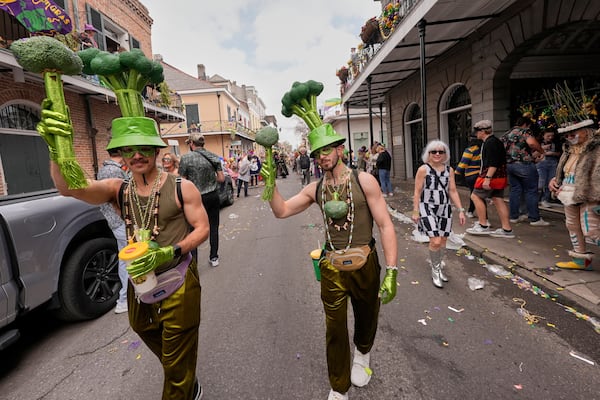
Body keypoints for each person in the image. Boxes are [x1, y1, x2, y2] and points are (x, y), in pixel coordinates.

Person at [41, 112, 209, 400]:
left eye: (144, 148)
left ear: (157, 150)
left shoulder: (182, 187)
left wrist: (171, 251)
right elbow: (68, 188)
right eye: (128, 149)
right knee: (143, 327)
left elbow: (202, 228)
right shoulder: (117, 190)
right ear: (121, 154)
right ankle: (182, 373)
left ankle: (182, 384)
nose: (137, 155)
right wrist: (56, 147)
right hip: (139, 279)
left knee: (177, 352)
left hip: (178, 277)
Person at [260, 124, 398, 400]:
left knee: (366, 316)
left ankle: (363, 352)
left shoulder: (364, 181)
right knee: (334, 329)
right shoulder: (316, 188)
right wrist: (270, 184)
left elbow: (385, 225)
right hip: (332, 266)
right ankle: (338, 387)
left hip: (365, 262)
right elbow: (282, 211)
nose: (322, 157)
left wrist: (392, 270)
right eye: (316, 154)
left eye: (326, 151)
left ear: (339, 150)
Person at [547, 84, 600, 270]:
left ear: (586, 130)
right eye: (567, 134)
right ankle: (580, 261)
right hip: (568, 192)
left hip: (590, 193)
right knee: (572, 225)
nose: (570, 137)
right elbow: (563, 170)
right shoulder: (568, 150)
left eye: (574, 133)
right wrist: (554, 181)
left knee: (592, 230)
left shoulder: (597, 148)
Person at [412, 140, 466, 288]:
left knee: (442, 241)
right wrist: (416, 210)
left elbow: (452, 191)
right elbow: (417, 191)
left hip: (444, 208)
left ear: (445, 154)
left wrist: (461, 210)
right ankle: (435, 271)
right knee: (435, 240)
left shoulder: (449, 170)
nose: (437, 154)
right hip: (427, 207)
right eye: (433, 151)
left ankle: (438, 267)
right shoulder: (423, 169)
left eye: (440, 152)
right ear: (428, 154)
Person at [179, 133, 225, 268]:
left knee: (193, 230)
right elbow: (221, 179)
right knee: (213, 227)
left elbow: (182, 180)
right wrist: (209, 180)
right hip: (212, 196)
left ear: (192, 144)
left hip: (194, 199)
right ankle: (214, 257)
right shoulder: (213, 157)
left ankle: (194, 263)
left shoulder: (186, 158)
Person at [466, 120, 514, 238]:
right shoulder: (495, 141)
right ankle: (506, 229)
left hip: (491, 175)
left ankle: (483, 225)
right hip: (500, 175)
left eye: (477, 132)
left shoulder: (490, 143)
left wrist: (487, 178)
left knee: (475, 196)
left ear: (483, 131)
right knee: (498, 199)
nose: (476, 134)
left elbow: (493, 162)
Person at [97, 148, 129, 314]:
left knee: (125, 259)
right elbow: (121, 199)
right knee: (129, 259)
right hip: (122, 222)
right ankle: (125, 299)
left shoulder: (104, 170)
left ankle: (126, 299)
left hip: (116, 222)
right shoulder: (114, 172)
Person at [502, 114, 549, 226]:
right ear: (526, 124)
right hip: (524, 164)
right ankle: (534, 218)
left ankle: (514, 216)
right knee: (531, 190)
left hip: (510, 165)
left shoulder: (507, 134)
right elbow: (532, 143)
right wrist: (542, 151)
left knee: (515, 190)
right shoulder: (524, 131)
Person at [455, 135, 486, 220]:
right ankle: (471, 211)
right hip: (481, 175)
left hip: (471, 175)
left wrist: (457, 172)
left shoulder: (470, 150)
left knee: (474, 194)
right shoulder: (482, 149)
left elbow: (464, 162)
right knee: (477, 194)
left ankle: (481, 217)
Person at [536, 127, 560, 207]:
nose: (550, 138)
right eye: (548, 136)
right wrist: (542, 149)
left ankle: (545, 199)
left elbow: (559, 153)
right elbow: (533, 153)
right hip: (541, 164)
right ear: (543, 135)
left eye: (551, 136)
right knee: (540, 183)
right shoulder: (538, 142)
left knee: (550, 182)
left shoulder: (555, 143)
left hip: (553, 163)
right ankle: (536, 199)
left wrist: (552, 153)